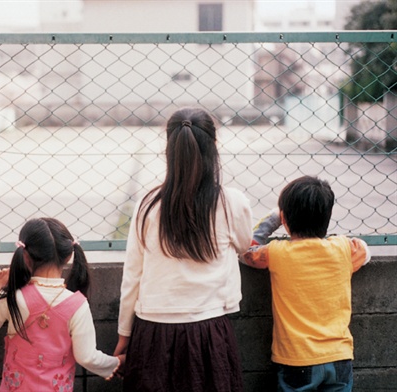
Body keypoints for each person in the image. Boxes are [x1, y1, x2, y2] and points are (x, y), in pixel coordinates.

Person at [114, 107, 253, 391]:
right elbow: (244, 244)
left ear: (169, 150)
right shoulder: (231, 202)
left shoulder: (147, 205)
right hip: (208, 330)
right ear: (213, 149)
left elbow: (133, 276)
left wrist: (123, 336)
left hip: (151, 331)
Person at [241, 175, 370, 391]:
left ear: (285, 220)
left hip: (296, 359)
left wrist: (273, 219)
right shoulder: (343, 248)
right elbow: (365, 251)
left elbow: (246, 250)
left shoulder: (276, 253)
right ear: (327, 216)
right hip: (340, 356)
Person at [0, 217, 122, 391]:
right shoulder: (77, 304)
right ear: (68, 256)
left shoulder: (15, 297)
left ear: (25, 256)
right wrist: (117, 362)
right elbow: (87, 357)